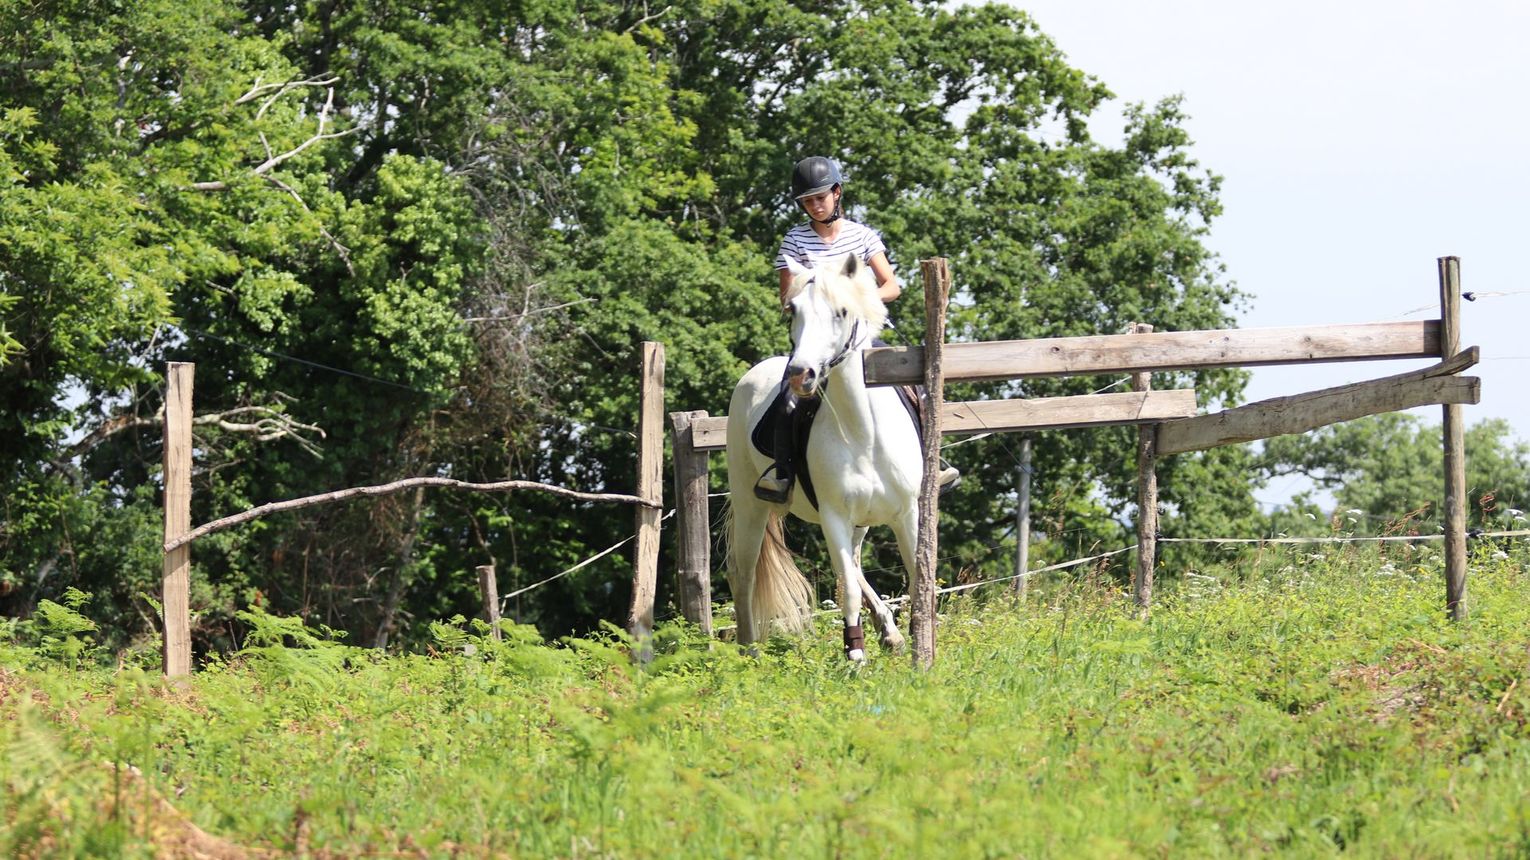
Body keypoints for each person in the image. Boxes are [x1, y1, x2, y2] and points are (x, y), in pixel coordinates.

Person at [754, 156, 959, 503]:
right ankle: (782, 473)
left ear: (836, 193)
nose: (815, 206)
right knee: (789, 401)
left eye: (820, 197)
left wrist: (856, 300)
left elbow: (891, 285)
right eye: (808, 201)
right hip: (817, 340)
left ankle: (932, 460)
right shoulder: (794, 241)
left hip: (860, 335)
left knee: (913, 390)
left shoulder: (862, 236)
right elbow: (786, 298)